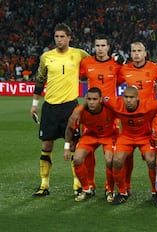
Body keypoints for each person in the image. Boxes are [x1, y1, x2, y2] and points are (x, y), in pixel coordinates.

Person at [72, 86, 157, 205]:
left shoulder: (149, 105)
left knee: (151, 160)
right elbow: (93, 98)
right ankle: (122, 192)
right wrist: (80, 109)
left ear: (137, 98)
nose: (128, 100)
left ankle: (156, 192)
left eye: (131, 97)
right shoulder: (116, 103)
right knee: (116, 160)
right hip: (126, 137)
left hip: (145, 137)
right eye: (126, 97)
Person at [30, 23, 89, 196]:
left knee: (73, 145)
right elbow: (40, 80)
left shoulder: (79, 54)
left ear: (69, 38)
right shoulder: (46, 57)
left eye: (62, 36)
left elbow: (95, 64)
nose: (59, 39)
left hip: (70, 106)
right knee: (46, 144)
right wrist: (34, 104)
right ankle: (44, 185)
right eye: (57, 36)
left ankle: (78, 185)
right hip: (50, 106)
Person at [118, 41, 157, 197]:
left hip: (150, 120)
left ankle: (155, 191)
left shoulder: (155, 68)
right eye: (134, 51)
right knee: (126, 155)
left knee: (151, 159)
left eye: (139, 51)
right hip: (130, 120)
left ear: (145, 53)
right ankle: (126, 187)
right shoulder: (125, 69)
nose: (137, 54)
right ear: (131, 54)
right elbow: (114, 81)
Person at [79, 34, 124, 202]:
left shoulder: (116, 64)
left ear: (108, 47)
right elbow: (77, 75)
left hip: (110, 115)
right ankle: (89, 186)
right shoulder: (86, 63)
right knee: (88, 154)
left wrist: (124, 61)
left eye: (103, 45)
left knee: (110, 157)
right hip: (91, 114)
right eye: (97, 45)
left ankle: (109, 188)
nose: (100, 48)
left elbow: (126, 76)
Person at [63, 87, 118, 202]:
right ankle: (87, 189)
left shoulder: (109, 108)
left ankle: (110, 189)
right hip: (90, 135)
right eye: (89, 99)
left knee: (110, 160)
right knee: (77, 159)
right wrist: (67, 147)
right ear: (85, 99)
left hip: (109, 136)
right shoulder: (79, 111)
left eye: (95, 99)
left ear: (101, 100)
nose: (92, 102)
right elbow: (70, 127)